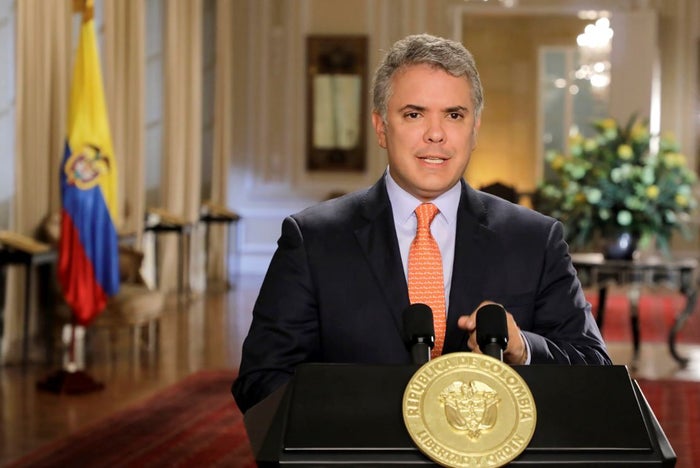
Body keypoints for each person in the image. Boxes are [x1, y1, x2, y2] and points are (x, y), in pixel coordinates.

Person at [232, 33, 610, 413]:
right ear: (381, 127)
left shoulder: (535, 239)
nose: (436, 134)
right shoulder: (313, 239)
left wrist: (522, 349)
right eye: (414, 114)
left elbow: (594, 371)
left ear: (474, 129)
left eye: (454, 115)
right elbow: (262, 381)